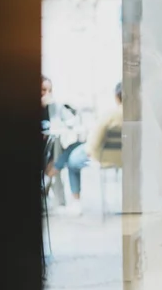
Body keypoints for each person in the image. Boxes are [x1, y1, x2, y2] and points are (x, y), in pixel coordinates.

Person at [47, 82, 123, 216]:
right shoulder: (140, 113)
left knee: (72, 161)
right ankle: (55, 168)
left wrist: (88, 150)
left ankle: (75, 202)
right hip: (128, 157)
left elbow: (94, 142)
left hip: (105, 157)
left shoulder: (110, 115)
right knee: (74, 147)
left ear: (117, 97)